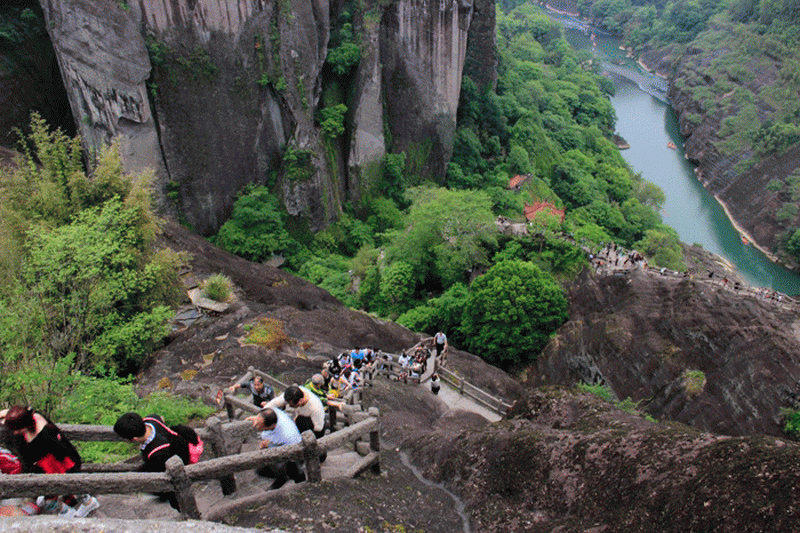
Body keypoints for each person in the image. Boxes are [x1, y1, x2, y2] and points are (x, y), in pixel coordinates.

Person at [0, 406, 99, 518]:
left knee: (55, 493)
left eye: (16, 429)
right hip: (55, 461)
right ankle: (84, 503)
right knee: (62, 488)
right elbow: (20, 412)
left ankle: (72, 510)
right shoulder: (33, 416)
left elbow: (29, 460)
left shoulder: (42, 437)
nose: (15, 432)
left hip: (59, 464)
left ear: (24, 425)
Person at [113, 412, 200, 510]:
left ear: (134, 439)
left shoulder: (157, 453)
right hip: (178, 444)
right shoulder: (151, 419)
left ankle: (184, 509)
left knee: (171, 491)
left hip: (177, 459)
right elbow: (161, 418)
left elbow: (161, 473)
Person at [247, 408, 306, 489]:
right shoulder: (274, 413)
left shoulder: (286, 436)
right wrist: (257, 418)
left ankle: (297, 483)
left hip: (293, 452)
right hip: (280, 444)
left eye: (260, 425)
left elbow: (293, 452)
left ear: (272, 426)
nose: (256, 425)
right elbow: (267, 409)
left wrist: (268, 445)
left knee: (293, 468)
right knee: (260, 470)